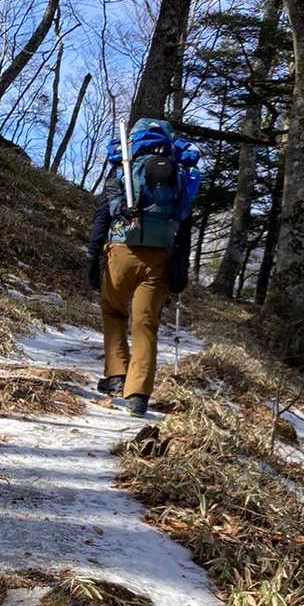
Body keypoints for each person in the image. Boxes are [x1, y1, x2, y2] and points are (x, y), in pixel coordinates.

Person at [86, 118, 200, 417]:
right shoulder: (179, 175)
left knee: (114, 312)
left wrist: (92, 256)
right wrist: (180, 267)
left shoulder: (123, 169)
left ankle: (116, 376)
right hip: (160, 256)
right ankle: (138, 395)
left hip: (121, 251)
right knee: (145, 324)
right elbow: (184, 226)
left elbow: (102, 217)